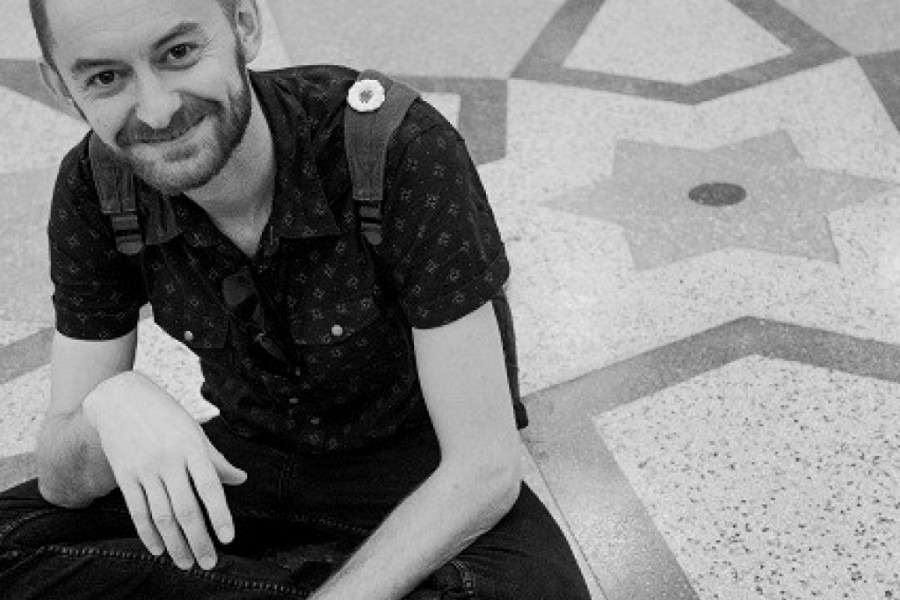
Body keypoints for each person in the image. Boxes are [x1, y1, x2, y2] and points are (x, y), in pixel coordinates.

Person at [0, 0, 593, 598]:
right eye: (106, 77)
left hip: (418, 475)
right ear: (61, 86)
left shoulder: (393, 147)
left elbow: (484, 468)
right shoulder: (97, 187)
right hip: (246, 466)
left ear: (244, 25)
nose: (157, 111)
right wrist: (109, 405)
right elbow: (61, 480)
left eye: (178, 53)